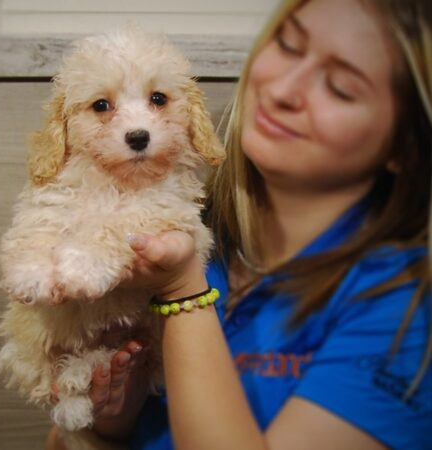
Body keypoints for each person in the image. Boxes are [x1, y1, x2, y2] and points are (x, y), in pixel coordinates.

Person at [47, 0, 432, 448]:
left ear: (405, 147)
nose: (284, 88)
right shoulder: (188, 222)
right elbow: (63, 438)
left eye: (340, 88)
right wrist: (113, 421)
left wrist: (182, 293)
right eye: (288, 45)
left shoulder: (406, 311)